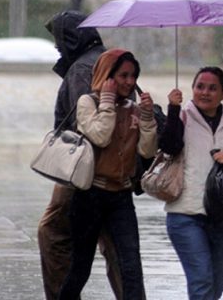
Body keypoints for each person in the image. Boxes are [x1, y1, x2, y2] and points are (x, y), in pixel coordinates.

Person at [38, 10, 127, 300]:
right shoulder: (107, 60)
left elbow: (84, 125)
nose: (57, 47)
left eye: (60, 39)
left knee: (52, 232)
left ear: (72, 39)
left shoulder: (81, 69)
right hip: (115, 167)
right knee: (114, 244)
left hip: (83, 168)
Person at [58, 49, 158, 299]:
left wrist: (147, 117)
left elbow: (147, 151)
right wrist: (107, 101)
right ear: (106, 75)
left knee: (131, 266)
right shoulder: (87, 103)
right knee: (80, 268)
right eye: (122, 75)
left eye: (133, 76)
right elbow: (101, 136)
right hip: (89, 195)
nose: (129, 82)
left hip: (121, 197)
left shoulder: (134, 109)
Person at [159, 66, 223, 300]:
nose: (205, 92)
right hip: (186, 215)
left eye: (213, 88)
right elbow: (169, 146)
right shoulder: (182, 117)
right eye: (200, 87)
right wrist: (173, 109)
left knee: (219, 279)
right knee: (201, 280)